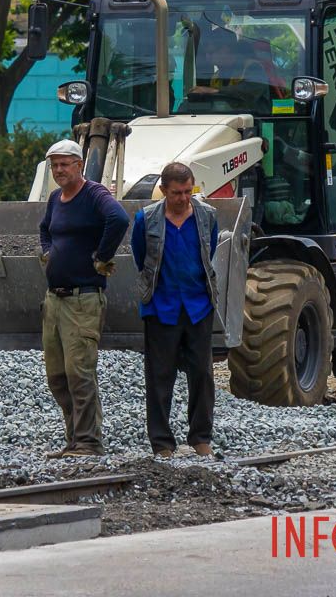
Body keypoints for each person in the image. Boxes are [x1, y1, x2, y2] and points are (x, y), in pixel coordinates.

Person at [38, 139, 130, 458]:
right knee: (57, 376)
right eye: (55, 165)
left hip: (83, 299)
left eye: (64, 164)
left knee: (79, 372)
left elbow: (119, 219)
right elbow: (44, 229)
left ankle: (89, 442)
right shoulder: (55, 198)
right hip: (55, 300)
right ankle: (74, 440)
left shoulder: (94, 195)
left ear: (79, 165)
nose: (59, 170)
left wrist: (101, 256)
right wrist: (48, 252)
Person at [130, 161, 219, 457]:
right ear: (164, 191)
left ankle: (200, 436)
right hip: (162, 305)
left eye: (188, 191)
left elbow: (210, 250)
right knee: (159, 375)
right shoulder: (147, 220)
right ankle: (162, 441)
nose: (183, 198)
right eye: (177, 193)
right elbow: (141, 256)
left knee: (203, 374)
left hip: (198, 304)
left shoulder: (207, 216)